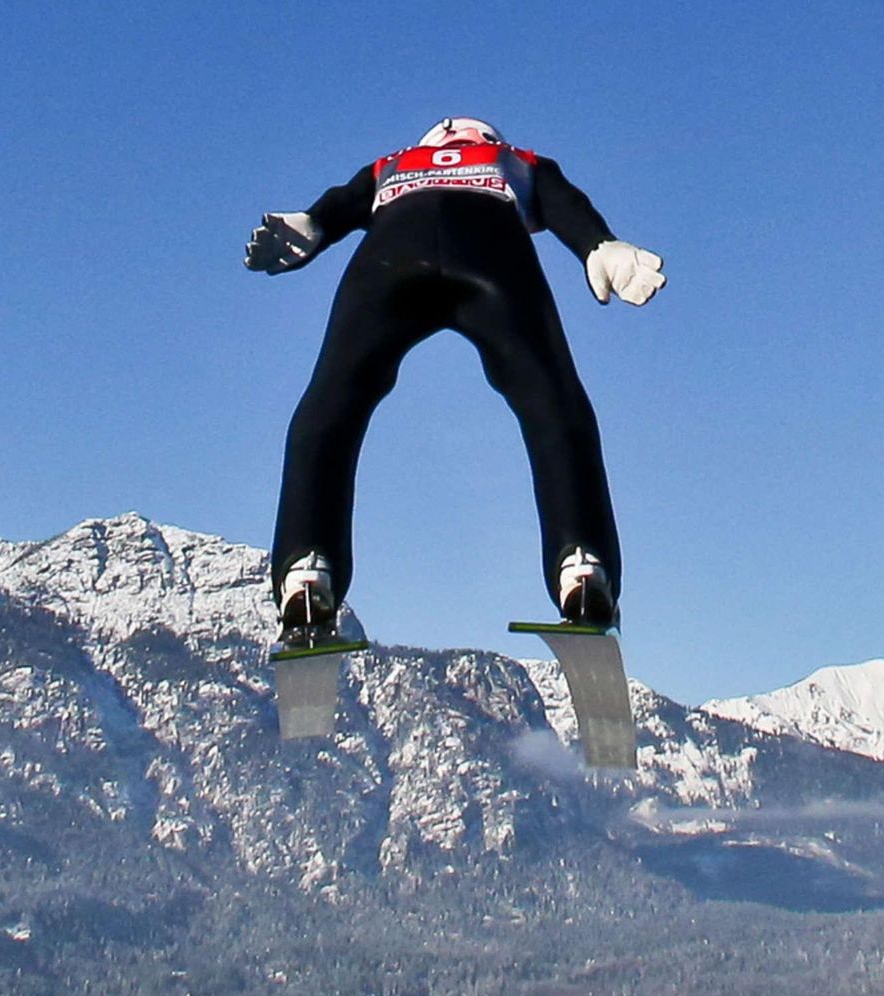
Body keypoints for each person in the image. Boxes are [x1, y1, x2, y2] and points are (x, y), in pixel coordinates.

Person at [246, 116, 664, 640]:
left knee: (333, 399)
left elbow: (345, 200)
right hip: (491, 247)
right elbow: (562, 202)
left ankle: (307, 566)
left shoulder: (392, 164)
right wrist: (598, 244)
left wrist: (314, 223)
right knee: (552, 399)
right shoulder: (517, 160)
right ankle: (583, 563)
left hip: (388, 256)